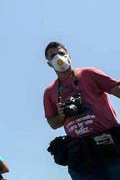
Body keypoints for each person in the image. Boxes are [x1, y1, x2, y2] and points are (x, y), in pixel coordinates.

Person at [43, 41, 120, 179]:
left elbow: (116, 90)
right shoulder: (50, 91)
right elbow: (53, 123)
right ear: (49, 63)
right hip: (80, 155)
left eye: (61, 53)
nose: (58, 58)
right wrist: (61, 116)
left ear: (69, 56)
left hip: (110, 144)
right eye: (53, 56)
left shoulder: (89, 74)